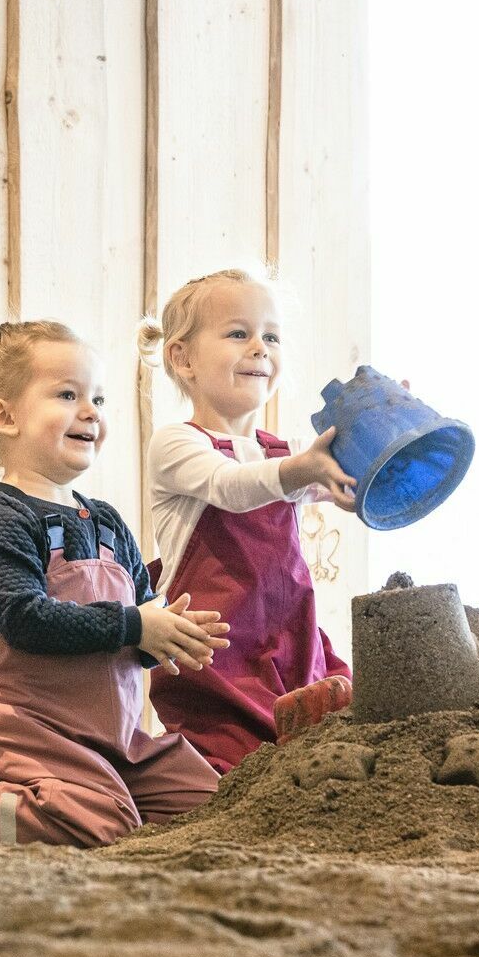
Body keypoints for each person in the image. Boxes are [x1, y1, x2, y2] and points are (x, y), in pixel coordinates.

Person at [0, 320, 225, 845]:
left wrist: (166, 635)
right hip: (26, 722)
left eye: (97, 397)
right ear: (4, 416)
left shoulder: (108, 523)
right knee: (102, 824)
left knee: (210, 805)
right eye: (67, 394)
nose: (91, 411)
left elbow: (134, 630)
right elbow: (27, 622)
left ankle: (77, 788)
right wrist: (134, 626)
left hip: (110, 732)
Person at [138, 269, 356, 773]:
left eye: (271, 336)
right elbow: (231, 488)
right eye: (239, 333)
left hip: (290, 643)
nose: (260, 347)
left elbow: (353, 483)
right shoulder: (177, 444)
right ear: (182, 357)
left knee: (328, 750)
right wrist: (304, 469)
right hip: (216, 656)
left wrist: (380, 433)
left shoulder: (286, 453)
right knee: (231, 768)